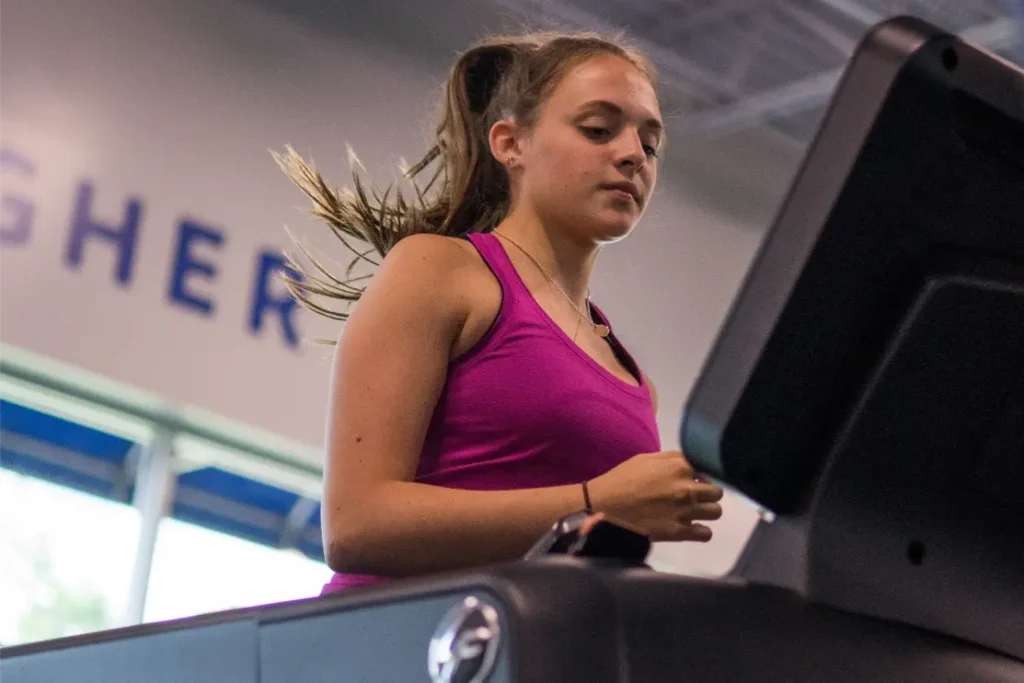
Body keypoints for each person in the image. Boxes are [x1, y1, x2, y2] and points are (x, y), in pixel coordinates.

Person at [275, 30, 725, 593]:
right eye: (598, 129)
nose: (633, 153)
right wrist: (594, 502)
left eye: (650, 143)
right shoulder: (441, 271)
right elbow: (355, 526)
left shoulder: (632, 378)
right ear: (511, 144)